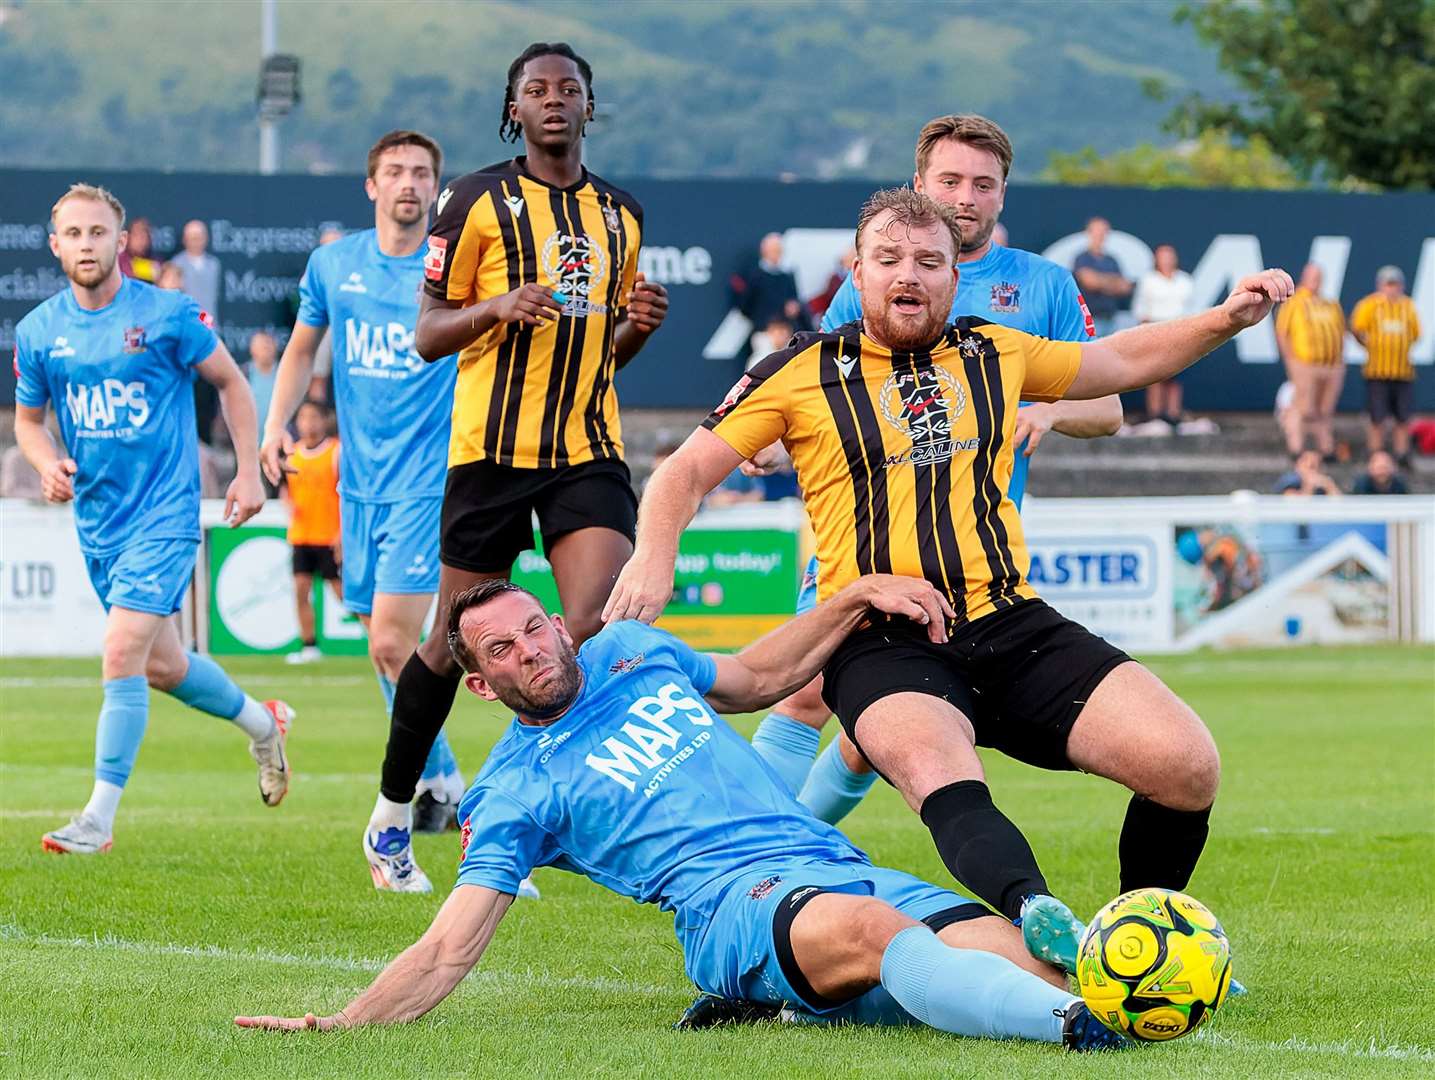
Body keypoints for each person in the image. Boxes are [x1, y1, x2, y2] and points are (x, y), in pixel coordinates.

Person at [608, 188, 1292, 980]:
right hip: (878, 643)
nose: (910, 275)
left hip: (1010, 621)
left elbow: (1121, 362)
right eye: (890, 260)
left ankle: (1139, 952)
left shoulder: (994, 351)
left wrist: (1224, 319)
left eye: (929, 262)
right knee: (942, 773)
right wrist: (652, 555)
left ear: (951, 275)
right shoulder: (798, 370)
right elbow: (684, 471)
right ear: (855, 274)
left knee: (1186, 765)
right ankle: (1037, 915)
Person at [234, 578, 1125, 1053]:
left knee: (1023, 961)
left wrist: (852, 598)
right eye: (502, 650)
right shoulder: (510, 792)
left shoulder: (628, 650)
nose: (532, 651)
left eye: (535, 628)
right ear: (481, 683)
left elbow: (756, 681)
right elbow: (447, 949)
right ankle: (1068, 1035)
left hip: (826, 859)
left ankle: (826, 1010)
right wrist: (345, 1025)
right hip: (731, 909)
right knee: (878, 933)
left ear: (557, 624)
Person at [754, 114, 1122, 826]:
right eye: (949, 180)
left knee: (879, 733)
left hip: (973, 556)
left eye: (983, 185)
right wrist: (770, 441)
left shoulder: (1042, 285)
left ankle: (784, 847)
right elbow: (813, 387)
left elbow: (1106, 407)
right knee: (807, 687)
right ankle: (739, 847)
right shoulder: (877, 274)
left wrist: (1048, 413)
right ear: (918, 185)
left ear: (1002, 197)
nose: (966, 197)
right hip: (865, 535)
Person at [364, 43, 669, 892]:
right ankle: (392, 816)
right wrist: (494, 307)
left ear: (589, 106)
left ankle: (507, 809)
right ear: (514, 110)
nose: (553, 101)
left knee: (594, 628)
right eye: (535, 91)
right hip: (491, 457)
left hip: (585, 450)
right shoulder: (473, 201)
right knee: (445, 644)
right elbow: (426, 334)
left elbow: (600, 359)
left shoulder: (624, 214)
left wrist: (636, 330)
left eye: (568, 89)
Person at [12, 183, 292, 855]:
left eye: (97, 232)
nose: (86, 244)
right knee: (163, 665)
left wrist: (250, 470)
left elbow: (228, 381)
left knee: (120, 654)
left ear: (121, 241)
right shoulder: (39, 331)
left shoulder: (167, 313)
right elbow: (28, 422)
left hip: (165, 515)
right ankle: (264, 724)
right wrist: (47, 462)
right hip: (98, 524)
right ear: (55, 246)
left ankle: (97, 819)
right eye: (73, 234)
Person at [261, 131, 468, 882]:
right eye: (394, 172)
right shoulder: (333, 265)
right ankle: (440, 784)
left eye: (420, 173)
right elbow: (300, 350)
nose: (408, 183)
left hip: (428, 478)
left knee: (390, 641)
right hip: (359, 485)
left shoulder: (454, 265)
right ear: (371, 185)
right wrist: (274, 426)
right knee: (381, 639)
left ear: (435, 189)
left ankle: (445, 793)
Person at [283, 399, 342, 665]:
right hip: (302, 535)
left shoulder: (336, 452)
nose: (308, 424)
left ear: (324, 420)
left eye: (314, 418)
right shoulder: (291, 454)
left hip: (329, 535)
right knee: (300, 590)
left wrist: (343, 535)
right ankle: (309, 645)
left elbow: (346, 493)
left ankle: (377, 638)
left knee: (343, 595)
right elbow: (284, 488)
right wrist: (288, 505)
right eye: (303, 418)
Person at [1350, 265, 1422, 465]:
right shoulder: (1370, 305)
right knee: (1377, 416)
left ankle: (1402, 454)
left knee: (1403, 417)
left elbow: (1416, 333)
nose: (1392, 288)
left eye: (1395, 284)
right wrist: (1369, 345)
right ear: (1380, 285)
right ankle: (1375, 452)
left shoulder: (1407, 306)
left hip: (1402, 371)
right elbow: (1356, 328)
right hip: (1377, 371)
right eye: (1389, 284)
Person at [1274, 263, 1346, 459]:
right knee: (1303, 407)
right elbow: (1282, 333)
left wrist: (1340, 361)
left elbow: (1341, 333)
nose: (1316, 281)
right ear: (1304, 277)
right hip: (1305, 362)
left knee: (1324, 409)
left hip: (1331, 364)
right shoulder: (1294, 302)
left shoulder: (1330, 304)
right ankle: (1296, 447)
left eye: (1319, 277)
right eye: (1312, 276)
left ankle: (1326, 447)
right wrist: (1291, 360)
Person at [1130, 243, 1201, 434]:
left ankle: (1173, 414)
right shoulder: (1148, 281)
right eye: (1163, 257)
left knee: (1176, 376)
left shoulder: (1185, 281)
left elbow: (1192, 309)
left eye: (1170, 256)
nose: (1167, 261)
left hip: (1180, 330)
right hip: (1155, 329)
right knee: (1155, 375)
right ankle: (1155, 414)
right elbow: (1141, 309)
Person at [730, 232, 812, 349]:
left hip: (786, 335)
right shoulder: (755, 276)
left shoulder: (787, 276)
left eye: (779, 250)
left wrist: (793, 307)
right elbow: (745, 305)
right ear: (764, 251)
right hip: (764, 334)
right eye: (774, 250)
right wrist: (763, 320)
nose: (777, 254)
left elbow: (794, 299)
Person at [1072, 217, 1131, 338]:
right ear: (1089, 233)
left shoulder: (1112, 260)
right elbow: (1089, 282)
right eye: (1097, 231)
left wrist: (1100, 281)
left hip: (1112, 319)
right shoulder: (1082, 258)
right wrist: (1112, 282)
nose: (1100, 235)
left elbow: (1124, 287)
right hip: (1091, 320)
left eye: (1103, 232)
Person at [245, 330, 279, 439]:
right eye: (261, 345)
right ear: (252, 349)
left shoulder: (286, 373)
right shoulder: (241, 374)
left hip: (280, 441)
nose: (266, 347)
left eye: (268, 343)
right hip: (248, 442)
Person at [1274, 449, 1341, 496]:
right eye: (1309, 466)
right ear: (1298, 464)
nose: (1311, 471)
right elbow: (1291, 504)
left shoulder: (1321, 483)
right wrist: (1309, 487)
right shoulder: (1291, 480)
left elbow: (1339, 504)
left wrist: (1329, 486)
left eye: (1314, 466)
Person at [116, 216, 159, 283]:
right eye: (137, 235)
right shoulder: (118, 258)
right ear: (128, 237)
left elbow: (159, 273)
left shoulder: (154, 258)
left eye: (144, 235)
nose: (141, 239)